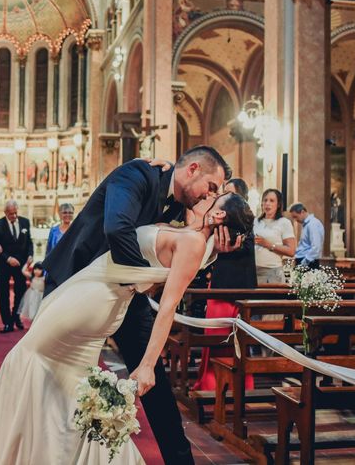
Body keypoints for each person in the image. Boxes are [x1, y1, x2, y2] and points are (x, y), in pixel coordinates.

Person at [0, 192, 254, 464]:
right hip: (95, 291)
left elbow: (168, 306)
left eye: (216, 195)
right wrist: (214, 250)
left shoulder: (194, 242)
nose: (209, 194)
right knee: (59, 379)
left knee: (31, 359)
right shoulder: (193, 236)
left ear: (218, 214)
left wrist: (148, 364)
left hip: (97, 297)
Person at [39, 146, 240, 464]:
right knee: (59, 378)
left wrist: (215, 248)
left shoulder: (177, 204)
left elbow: (178, 250)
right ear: (192, 170)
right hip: (76, 282)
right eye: (210, 188)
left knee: (154, 378)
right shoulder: (136, 174)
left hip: (124, 293)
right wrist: (141, 283)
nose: (209, 197)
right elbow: (116, 229)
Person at [193, 178, 257, 392]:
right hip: (224, 286)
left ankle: (232, 386)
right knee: (217, 339)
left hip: (235, 288)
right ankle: (212, 383)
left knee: (234, 340)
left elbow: (247, 249)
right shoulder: (220, 224)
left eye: (226, 195)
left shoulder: (244, 223)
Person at [0, 200, 34, 333]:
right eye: (11, 214)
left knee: (20, 292)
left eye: (15, 213)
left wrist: (30, 255)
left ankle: (16, 316)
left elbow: (29, 241)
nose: (14, 216)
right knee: (3, 294)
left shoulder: (25, 222)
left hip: (20, 264)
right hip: (3, 264)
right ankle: (7, 323)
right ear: (5, 212)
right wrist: (8, 258)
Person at [254, 189, 297, 284]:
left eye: (271, 201)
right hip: (253, 270)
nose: (267, 203)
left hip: (272, 271)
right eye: (265, 200)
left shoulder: (284, 223)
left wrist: (268, 244)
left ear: (278, 205)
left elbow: (291, 251)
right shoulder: (256, 221)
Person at [290, 203, 324, 269]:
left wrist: (305, 262)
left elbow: (316, 246)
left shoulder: (312, 224)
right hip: (305, 260)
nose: (295, 220)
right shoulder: (307, 224)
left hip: (308, 262)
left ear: (302, 212)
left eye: (295, 217)